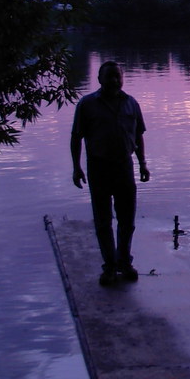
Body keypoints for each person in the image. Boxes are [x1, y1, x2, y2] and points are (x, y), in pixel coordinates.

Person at [71, 61, 150, 286]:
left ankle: (124, 262)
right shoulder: (87, 105)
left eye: (117, 76)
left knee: (127, 221)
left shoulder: (131, 104)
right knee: (103, 221)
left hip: (125, 167)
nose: (114, 81)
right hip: (98, 167)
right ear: (99, 79)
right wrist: (76, 168)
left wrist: (143, 163)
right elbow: (76, 137)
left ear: (122, 79)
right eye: (109, 77)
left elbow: (138, 136)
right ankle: (109, 267)